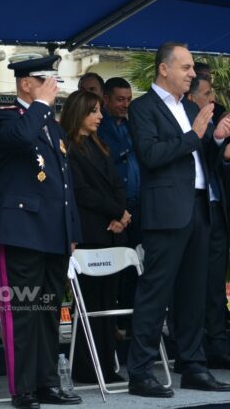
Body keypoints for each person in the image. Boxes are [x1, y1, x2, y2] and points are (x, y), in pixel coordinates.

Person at [126, 42, 230, 398]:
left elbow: (202, 156)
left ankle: (193, 366)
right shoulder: (143, 108)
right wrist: (195, 135)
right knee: (155, 293)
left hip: (199, 208)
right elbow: (151, 154)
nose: (193, 74)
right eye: (186, 67)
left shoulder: (190, 109)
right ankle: (140, 372)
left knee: (194, 292)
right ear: (164, 69)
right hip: (166, 212)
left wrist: (218, 141)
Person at [0, 55, 82, 408]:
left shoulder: (53, 128)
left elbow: (65, 185)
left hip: (53, 233)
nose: (53, 86)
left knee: (48, 311)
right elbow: (22, 139)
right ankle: (23, 389)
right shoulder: (5, 119)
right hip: (20, 230)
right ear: (26, 83)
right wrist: (41, 104)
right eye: (45, 80)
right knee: (22, 312)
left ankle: (47, 383)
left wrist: (71, 229)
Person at [60, 90, 129, 384]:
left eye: (100, 110)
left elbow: (116, 183)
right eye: (94, 111)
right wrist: (117, 211)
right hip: (88, 233)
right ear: (79, 113)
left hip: (110, 231)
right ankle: (87, 368)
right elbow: (81, 191)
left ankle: (107, 365)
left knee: (107, 303)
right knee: (88, 303)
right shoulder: (67, 147)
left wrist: (120, 214)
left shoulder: (100, 146)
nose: (100, 116)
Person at [186, 75, 230, 370]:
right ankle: (192, 351)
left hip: (216, 212)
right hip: (191, 213)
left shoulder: (215, 126)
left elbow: (220, 168)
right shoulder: (185, 126)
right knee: (192, 286)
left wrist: (226, 157)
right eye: (207, 93)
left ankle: (218, 347)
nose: (213, 99)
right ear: (192, 98)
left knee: (215, 286)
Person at [98, 77, 141, 334]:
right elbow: (108, 155)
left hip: (138, 204)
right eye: (120, 99)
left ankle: (131, 321)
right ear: (106, 99)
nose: (126, 105)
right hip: (113, 209)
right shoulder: (98, 124)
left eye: (129, 100)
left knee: (136, 267)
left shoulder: (133, 123)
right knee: (114, 271)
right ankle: (111, 326)